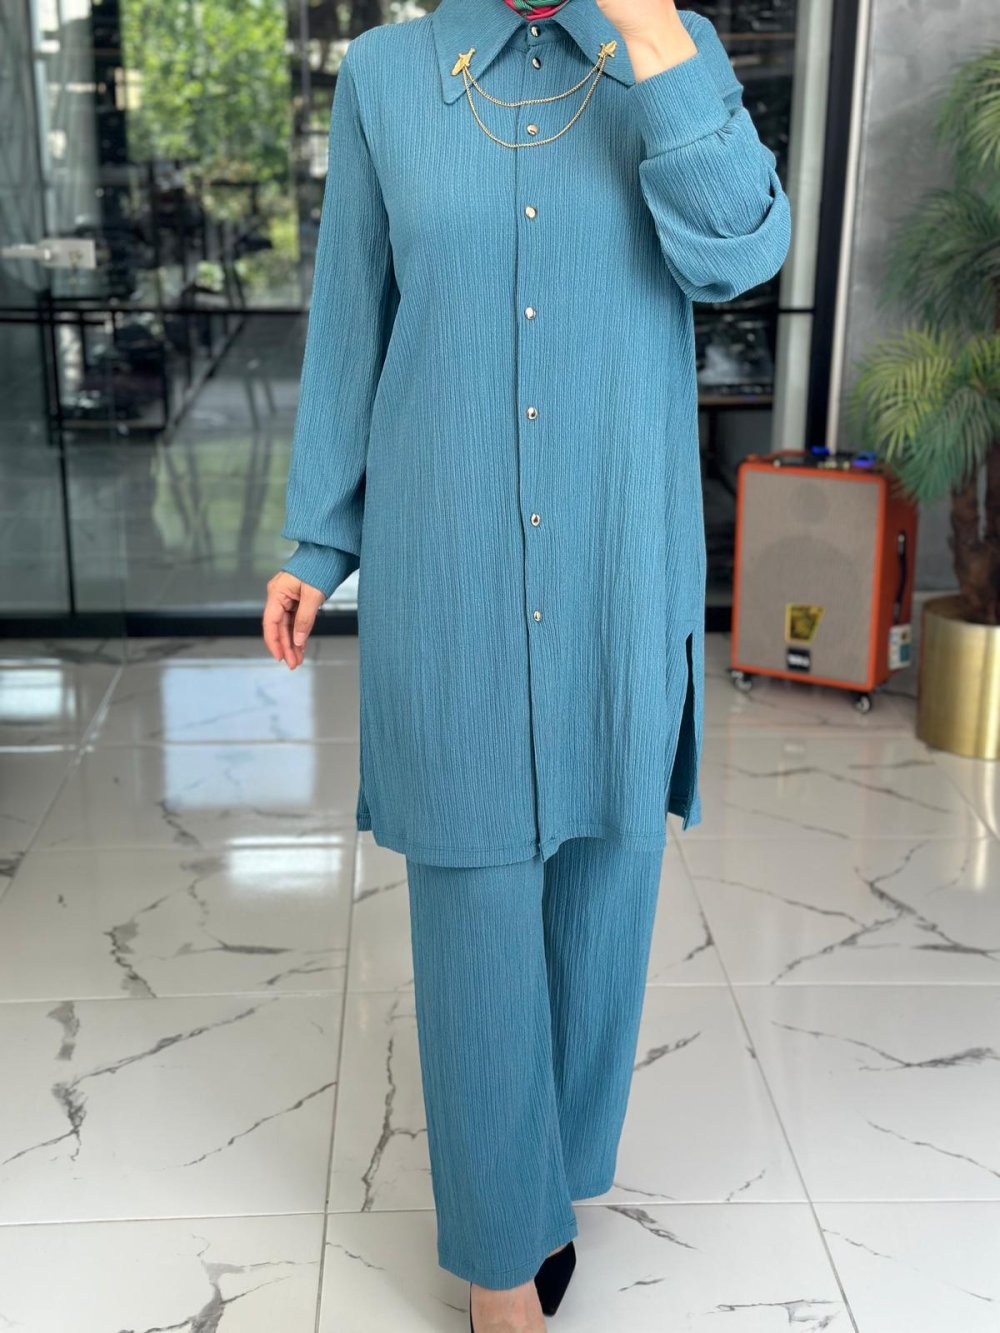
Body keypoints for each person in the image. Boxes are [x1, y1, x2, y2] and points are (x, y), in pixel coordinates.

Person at [262, 0, 790, 1327]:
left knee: (605, 895)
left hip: (620, 558)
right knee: (473, 902)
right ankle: (500, 1262)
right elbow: (352, 310)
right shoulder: (389, 76)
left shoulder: (674, 51)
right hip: (448, 564)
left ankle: (549, 1175)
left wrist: (655, 34)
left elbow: (742, 252)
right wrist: (319, 535)